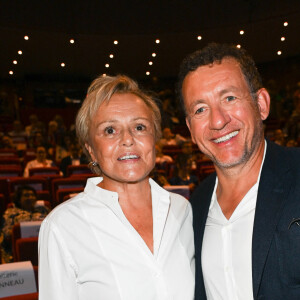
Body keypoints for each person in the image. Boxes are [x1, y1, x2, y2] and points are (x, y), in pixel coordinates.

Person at [38, 75, 195, 300]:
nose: (128, 139)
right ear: (90, 149)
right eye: (110, 130)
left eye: (139, 127)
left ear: (155, 138)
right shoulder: (62, 227)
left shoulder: (182, 211)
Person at [177, 43, 300, 300]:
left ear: (261, 104)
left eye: (229, 98)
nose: (218, 121)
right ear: (190, 129)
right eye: (200, 109)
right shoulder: (194, 207)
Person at [0, 185, 49, 263]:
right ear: (19, 199)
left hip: (44, 245)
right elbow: (7, 235)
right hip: (20, 248)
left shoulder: (44, 210)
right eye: (26, 195)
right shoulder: (10, 213)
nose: (30, 197)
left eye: (32, 195)